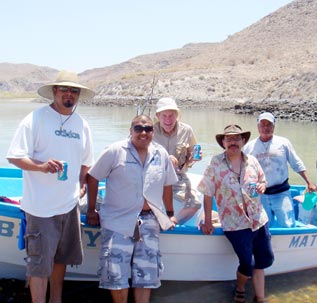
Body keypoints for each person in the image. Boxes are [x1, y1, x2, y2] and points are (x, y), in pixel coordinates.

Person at [6, 70, 95, 303]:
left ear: (78, 95)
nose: (69, 94)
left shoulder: (81, 124)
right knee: (38, 265)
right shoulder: (35, 119)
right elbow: (14, 157)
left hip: (69, 206)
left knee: (60, 260)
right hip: (40, 209)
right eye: (64, 89)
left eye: (74, 90)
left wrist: (82, 184)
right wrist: (42, 166)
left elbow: (86, 161)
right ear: (54, 91)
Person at [86, 114, 178, 303]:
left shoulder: (161, 154)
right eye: (138, 128)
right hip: (117, 221)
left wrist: (169, 214)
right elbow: (93, 177)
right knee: (115, 274)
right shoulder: (114, 151)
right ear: (131, 131)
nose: (143, 132)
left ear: (153, 132)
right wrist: (91, 209)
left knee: (147, 276)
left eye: (148, 129)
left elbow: (168, 185)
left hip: (150, 221)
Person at [198, 124, 273, 303]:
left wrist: (263, 185)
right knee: (247, 263)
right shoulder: (215, 163)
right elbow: (207, 193)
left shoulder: (252, 161)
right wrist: (208, 220)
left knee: (265, 260)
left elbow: (263, 180)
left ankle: (260, 298)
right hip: (234, 223)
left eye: (236, 138)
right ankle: (240, 287)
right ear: (223, 142)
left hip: (258, 219)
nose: (233, 142)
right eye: (229, 139)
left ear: (243, 141)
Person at [244, 112, 317, 227]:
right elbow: (244, 173)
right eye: (262, 124)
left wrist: (308, 182)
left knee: (288, 225)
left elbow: (296, 163)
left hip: (281, 193)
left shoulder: (283, 143)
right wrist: (249, 198)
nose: (265, 128)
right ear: (258, 127)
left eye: (269, 124)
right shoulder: (249, 147)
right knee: (262, 227)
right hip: (259, 195)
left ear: (274, 126)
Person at [153, 97, 202, 224]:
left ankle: (171, 222)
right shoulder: (150, 131)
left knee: (195, 204)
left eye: (171, 115)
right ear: (157, 116)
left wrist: (193, 159)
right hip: (154, 177)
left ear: (177, 115)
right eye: (164, 116)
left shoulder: (187, 130)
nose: (168, 119)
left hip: (178, 177)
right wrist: (165, 158)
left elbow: (191, 158)